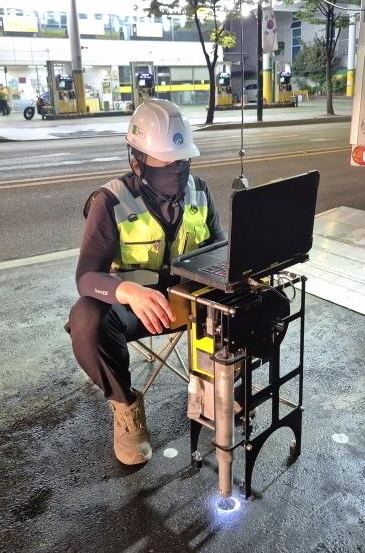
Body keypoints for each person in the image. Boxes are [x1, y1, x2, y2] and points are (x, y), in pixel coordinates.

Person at [67, 99, 224, 465]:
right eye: (166, 162)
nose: (178, 170)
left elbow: (220, 251)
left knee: (248, 302)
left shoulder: (199, 192)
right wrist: (127, 291)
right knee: (86, 320)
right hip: (137, 308)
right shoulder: (110, 201)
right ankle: (126, 407)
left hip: (191, 303)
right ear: (137, 161)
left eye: (183, 161)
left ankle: (216, 389)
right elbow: (86, 277)